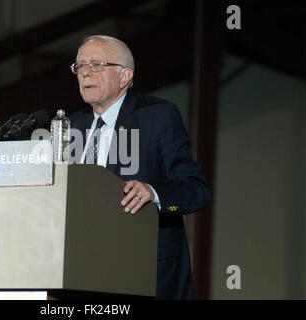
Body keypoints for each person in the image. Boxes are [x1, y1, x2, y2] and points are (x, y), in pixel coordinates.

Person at [65, 35, 210, 299]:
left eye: (96, 64)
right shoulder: (72, 126)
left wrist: (153, 193)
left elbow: (195, 189)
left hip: (145, 275)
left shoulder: (158, 116)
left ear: (124, 76)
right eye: (79, 66)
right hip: (82, 276)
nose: (85, 72)